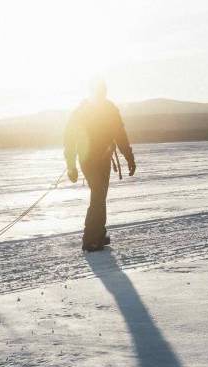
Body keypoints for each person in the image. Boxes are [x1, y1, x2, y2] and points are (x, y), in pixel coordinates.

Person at [64, 79, 136, 251]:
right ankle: (90, 239)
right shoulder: (89, 111)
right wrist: (70, 166)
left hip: (99, 160)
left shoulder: (93, 110)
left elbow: (120, 135)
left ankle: (99, 234)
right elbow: (70, 139)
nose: (101, 94)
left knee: (100, 195)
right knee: (98, 194)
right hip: (90, 160)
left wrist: (129, 158)